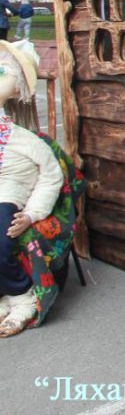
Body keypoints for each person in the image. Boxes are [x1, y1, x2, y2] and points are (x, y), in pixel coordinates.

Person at [0, 40, 63, 337]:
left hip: (5, 196)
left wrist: (32, 213)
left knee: (0, 243)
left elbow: (52, 176)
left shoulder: (23, 140)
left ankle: (21, 295)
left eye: (2, 72)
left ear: (17, 90)